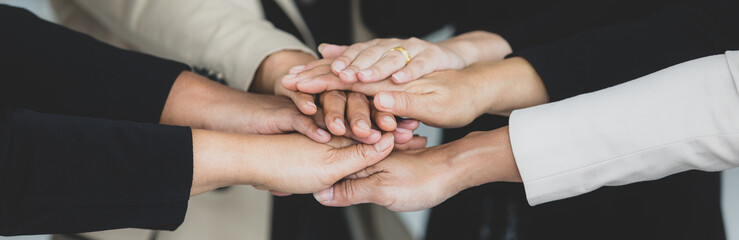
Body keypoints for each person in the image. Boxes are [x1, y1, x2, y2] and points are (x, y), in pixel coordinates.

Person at [288, 0, 739, 238]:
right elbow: (394, 13)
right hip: (462, 126)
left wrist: (482, 79)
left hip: (643, 166)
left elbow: (713, 27)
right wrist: (466, 58)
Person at [0, 5, 426, 236]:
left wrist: (244, 110)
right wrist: (290, 73)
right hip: (174, 207)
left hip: (330, 177)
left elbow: (10, 41)